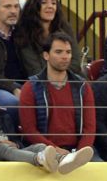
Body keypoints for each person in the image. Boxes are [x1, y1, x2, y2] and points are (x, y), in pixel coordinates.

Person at [0, 77, 90, 173]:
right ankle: (39, 160)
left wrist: (15, 144)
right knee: (3, 149)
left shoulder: (1, 113)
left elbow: (17, 140)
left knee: (39, 146)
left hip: (11, 150)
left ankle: (64, 160)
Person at [18, 31, 97, 166]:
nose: (65, 56)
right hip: (44, 152)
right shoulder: (30, 87)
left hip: (77, 150)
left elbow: (90, 128)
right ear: (46, 55)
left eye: (68, 52)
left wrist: (78, 155)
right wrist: (55, 150)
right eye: (59, 52)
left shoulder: (82, 87)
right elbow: (29, 130)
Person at [13, 0, 82, 79]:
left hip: (71, 79)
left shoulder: (65, 28)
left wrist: (62, 77)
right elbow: (34, 69)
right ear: (34, 6)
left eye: (53, 3)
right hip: (41, 83)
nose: (50, 6)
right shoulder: (24, 33)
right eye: (44, 2)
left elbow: (76, 61)